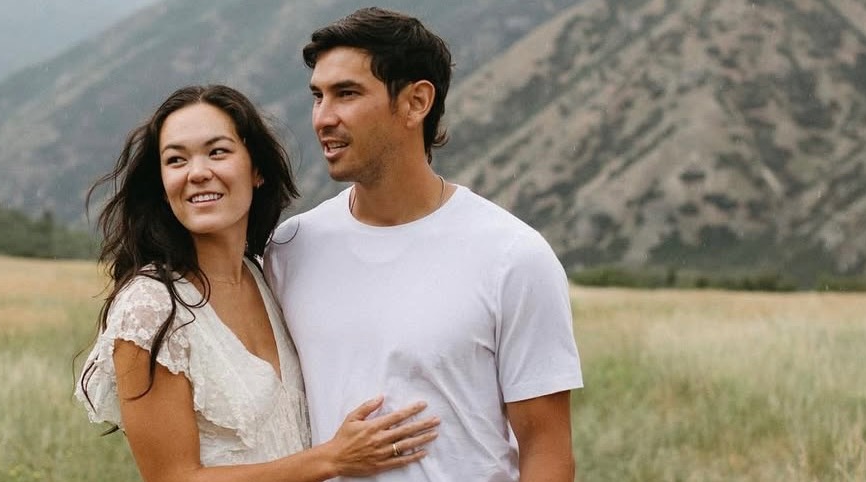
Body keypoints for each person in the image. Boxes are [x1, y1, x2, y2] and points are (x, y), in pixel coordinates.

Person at [264, 8, 583, 482]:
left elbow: (547, 452)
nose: (323, 118)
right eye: (317, 96)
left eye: (346, 94)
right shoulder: (288, 248)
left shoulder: (513, 257)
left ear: (415, 102)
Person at [75, 84, 440, 482]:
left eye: (218, 152)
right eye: (176, 160)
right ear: (162, 187)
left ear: (257, 170)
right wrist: (332, 460)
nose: (198, 173)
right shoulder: (150, 308)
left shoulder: (268, 277)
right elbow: (171, 478)